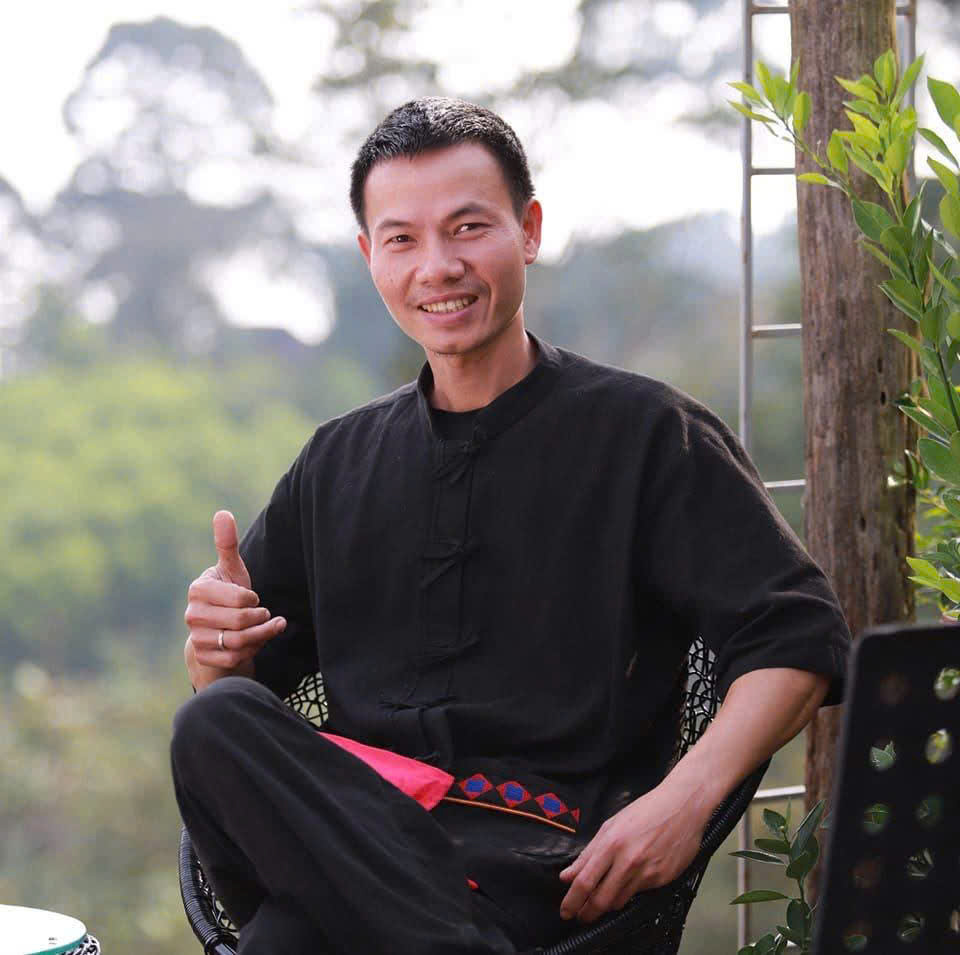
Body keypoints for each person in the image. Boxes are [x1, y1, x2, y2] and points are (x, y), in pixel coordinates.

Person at [170, 97, 850, 954]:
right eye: (402, 239)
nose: (438, 267)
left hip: (546, 874)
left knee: (286, 943)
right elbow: (243, 699)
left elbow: (798, 639)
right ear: (371, 256)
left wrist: (682, 801)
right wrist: (216, 651)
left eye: (467, 228)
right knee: (212, 722)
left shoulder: (647, 436)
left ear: (528, 230)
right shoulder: (336, 460)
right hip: (358, 848)